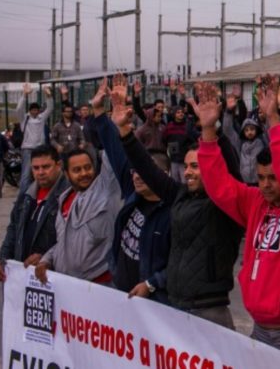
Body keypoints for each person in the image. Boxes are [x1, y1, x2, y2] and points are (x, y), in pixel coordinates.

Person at [196, 80, 280, 362]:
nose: (266, 185)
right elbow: (219, 187)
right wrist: (208, 131)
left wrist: (275, 119)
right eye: (261, 177)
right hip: (260, 330)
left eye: (273, 178)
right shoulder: (255, 202)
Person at [109, 74, 243, 329]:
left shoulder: (225, 205)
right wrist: (125, 132)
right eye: (189, 165)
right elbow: (148, 169)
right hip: (176, 307)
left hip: (209, 313)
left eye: (198, 166)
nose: (190, 171)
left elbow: (233, 173)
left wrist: (211, 130)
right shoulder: (179, 194)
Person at [90, 78, 172, 304]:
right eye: (134, 171)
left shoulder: (174, 211)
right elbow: (115, 149)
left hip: (153, 301)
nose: (136, 176)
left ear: (163, 176)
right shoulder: (133, 191)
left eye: (143, 172)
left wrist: (151, 284)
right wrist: (99, 111)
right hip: (121, 293)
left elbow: (179, 264)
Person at [34, 142, 123, 284]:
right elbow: (64, 244)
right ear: (67, 174)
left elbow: (114, 151)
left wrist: (108, 124)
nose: (84, 173)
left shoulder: (105, 192)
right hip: (70, 290)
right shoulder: (63, 200)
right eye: (77, 170)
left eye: (88, 168)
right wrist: (46, 261)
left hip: (101, 287)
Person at [0, 145, 69, 282]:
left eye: (46, 167)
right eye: (36, 168)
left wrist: (46, 258)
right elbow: (13, 229)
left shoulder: (69, 195)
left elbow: (71, 240)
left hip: (52, 279)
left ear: (59, 165)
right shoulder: (26, 196)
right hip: (24, 277)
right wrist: (2, 259)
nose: (40, 172)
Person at [16, 83, 54, 193]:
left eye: (36, 110)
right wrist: (24, 94)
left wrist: (48, 96)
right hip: (27, 149)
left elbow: (50, 108)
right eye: (33, 110)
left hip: (40, 148)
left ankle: (38, 194)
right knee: (26, 174)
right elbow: (19, 108)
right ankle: (22, 198)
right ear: (30, 110)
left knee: (41, 173)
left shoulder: (41, 118)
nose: (35, 112)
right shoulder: (24, 119)